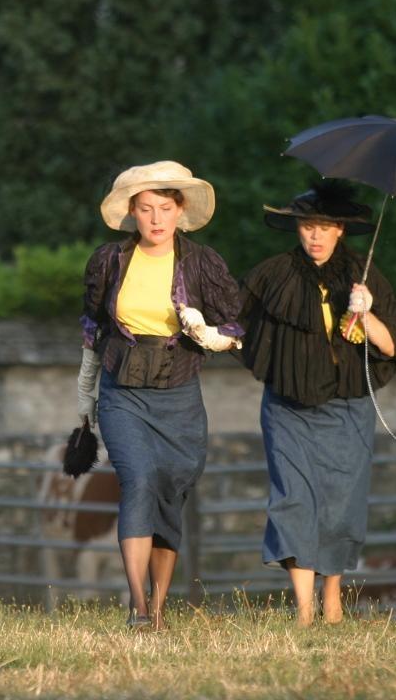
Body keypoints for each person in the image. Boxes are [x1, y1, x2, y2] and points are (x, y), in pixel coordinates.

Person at [77, 161, 243, 631]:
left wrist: (208, 334)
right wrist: (84, 392)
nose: (155, 219)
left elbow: (235, 324)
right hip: (122, 390)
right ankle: (137, 606)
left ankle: (161, 604)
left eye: (164, 209)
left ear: (179, 211)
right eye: (145, 209)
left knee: (172, 489)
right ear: (132, 212)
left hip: (180, 392)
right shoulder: (109, 260)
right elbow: (92, 326)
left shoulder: (201, 262)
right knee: (140, 480)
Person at [238, 182, 396, 626]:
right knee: (292, 499)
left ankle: (332, 598)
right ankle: (304, 608)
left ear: (341, 231)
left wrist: (367, 314)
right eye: (308, 226)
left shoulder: (365, 277)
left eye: (325, 227)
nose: (315, 235)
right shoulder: (272, 274)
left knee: (340, 504)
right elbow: (233, 322)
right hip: (287, 406)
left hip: (348, 407)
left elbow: (390, 348)